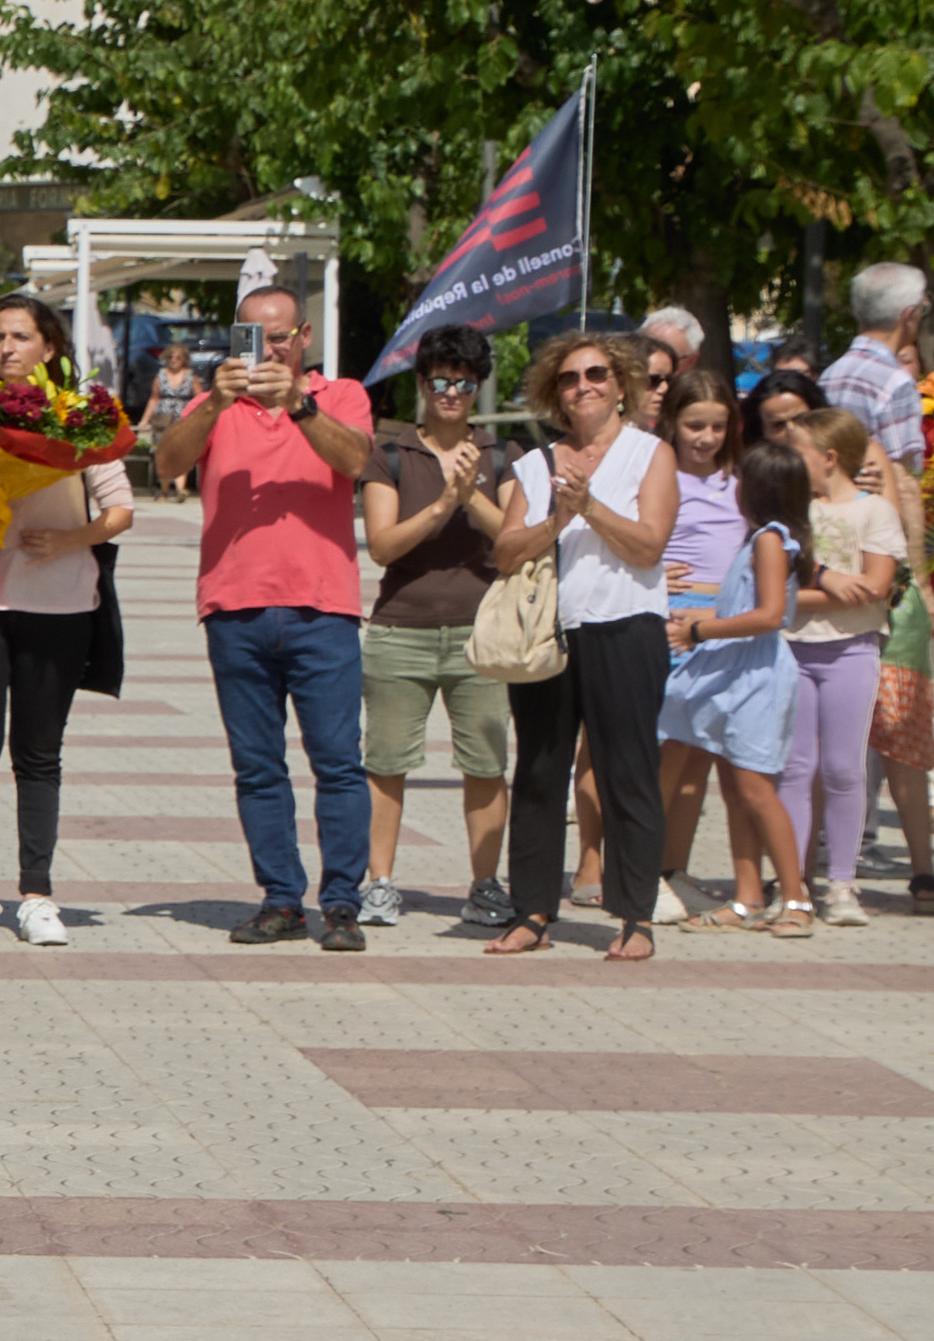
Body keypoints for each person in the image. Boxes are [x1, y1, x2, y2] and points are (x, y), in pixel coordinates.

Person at [149, 281, 374, 948]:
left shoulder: (340, 396)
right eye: (254, 336)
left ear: (305, 338)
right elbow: (166, 464)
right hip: (235, 608)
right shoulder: (214, 403)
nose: (269, 348)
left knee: (337, 763)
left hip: (322, 608)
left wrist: (300, 407)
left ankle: (342, 905)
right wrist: (216, 402)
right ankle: (281, 899)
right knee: (257, 766)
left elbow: (357, 460)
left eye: (280, 335)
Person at [0, 290, 125, 946]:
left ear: (49, 347)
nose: (8, 348)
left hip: (62, 607)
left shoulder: (79, 417)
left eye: (20, 337)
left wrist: (72, 540)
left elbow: (119, 509)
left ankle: (37, 895)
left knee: (40, 755)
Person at [485, 330, 678, 960]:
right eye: (569, 378)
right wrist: (556, 520)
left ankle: (635, 917)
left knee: (629, 772)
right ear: (555, 394)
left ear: (622, 385)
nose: (583, 386)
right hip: (550, 632)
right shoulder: (533, 464)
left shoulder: (650, 454)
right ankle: (532, 910)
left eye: (596, 374)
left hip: (626, 627)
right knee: (540, 771)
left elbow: (649, 545)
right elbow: (506, 552)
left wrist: (589, 508)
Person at [357, 325, 513, 928]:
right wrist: (446, 501)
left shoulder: (502, 455)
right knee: (387, 760)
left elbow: (513, 538)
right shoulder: (391, 453)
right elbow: (383, 546)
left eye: (465, 382)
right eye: (441, 380)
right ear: (423, 383)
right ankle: (380, 883)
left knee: (485, 763)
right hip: (401, 629)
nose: (452, 392)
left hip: (482, 633)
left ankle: (485, 884)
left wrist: (472, 495)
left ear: (477, 388)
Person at [663, 403, 807, 931]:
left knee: (756, 790)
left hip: (756, 677)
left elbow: (769, 616)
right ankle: (746, 897)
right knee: (734, 790)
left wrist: (700, 630)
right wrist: (702, 616)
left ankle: (795, 899)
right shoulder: (758, 540)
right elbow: (742, 608)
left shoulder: (769, 539)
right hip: (735, 675)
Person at [781, 408, 906, 927]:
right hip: (792, 650)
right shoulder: (791, 511)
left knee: (842, 768)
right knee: (794, 768)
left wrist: (798, 598)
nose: (786, 459)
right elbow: (776, 587)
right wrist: (828, 583)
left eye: (796, 449)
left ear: (828, 458)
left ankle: (842, 884)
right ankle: (793, 884)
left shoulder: (873, 511)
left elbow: (875, 587)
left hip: (852, 652)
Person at [645, 377, 753, 923]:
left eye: (717, 426)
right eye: (695, 426)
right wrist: (653, 571)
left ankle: (671, 871)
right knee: (667, 751)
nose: (707, 437)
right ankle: (639, 873)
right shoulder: (657, 472)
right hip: (673, 622)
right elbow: (636, 539)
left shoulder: (740, 481)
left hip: (724, 624)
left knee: (698, 760)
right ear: (672, 423)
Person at [824, 264, 927, 477]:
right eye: (922, 311)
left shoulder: (830, 374)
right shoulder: (896, 382)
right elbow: (903, 472)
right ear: (908, 317)